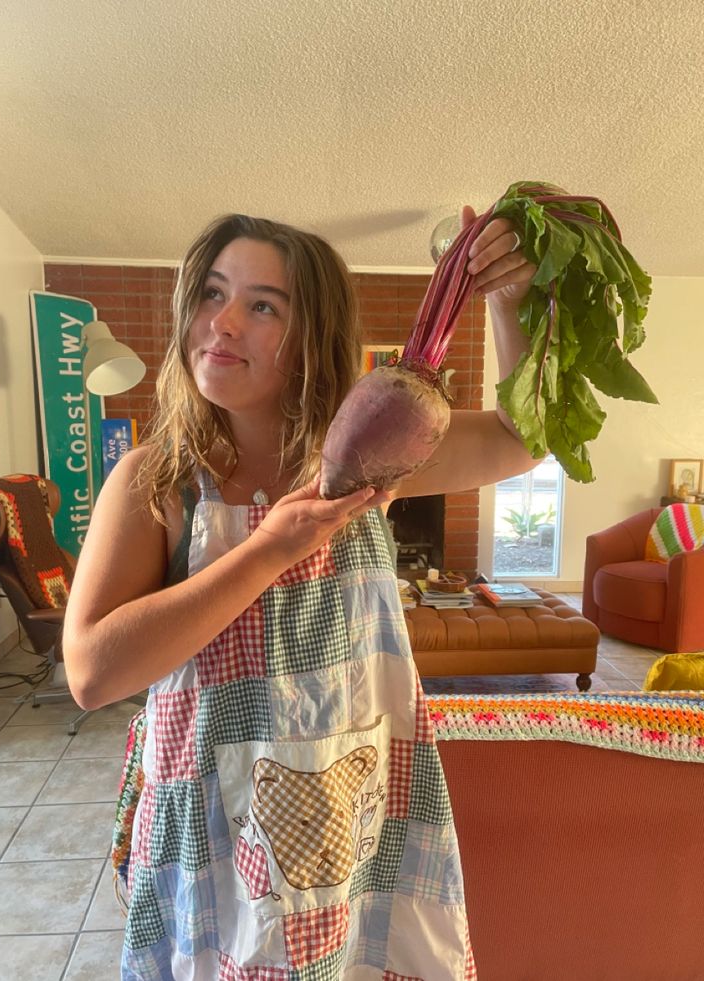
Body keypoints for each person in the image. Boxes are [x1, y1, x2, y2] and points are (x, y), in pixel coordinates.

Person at [63, 207, 538, 980]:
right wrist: (270, 548)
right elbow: (89, 671)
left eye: (261, 306)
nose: (220, 323)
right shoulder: (155, 481)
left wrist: (505, 299)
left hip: (356, 823)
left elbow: (522, 437)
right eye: (212, 294)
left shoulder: (373, 457)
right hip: (213, 830)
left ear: (311, 335)